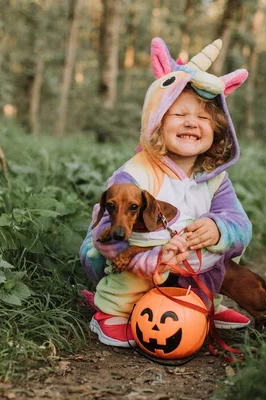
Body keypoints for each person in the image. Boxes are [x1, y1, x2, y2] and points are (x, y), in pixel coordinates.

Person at [80, 37, 252, 347]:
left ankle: (202, 304)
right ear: (157, 121)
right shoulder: (135, 173)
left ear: (217, 131)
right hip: (137, 262)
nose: (191, 122)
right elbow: (106, 229)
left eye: (202, 118)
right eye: (178, 114)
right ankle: (111, 312)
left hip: (184, 263)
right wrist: (144, 252)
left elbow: (240, 223)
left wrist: (217, 228)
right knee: (130, 265)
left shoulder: (215, 179)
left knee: (216, 256)